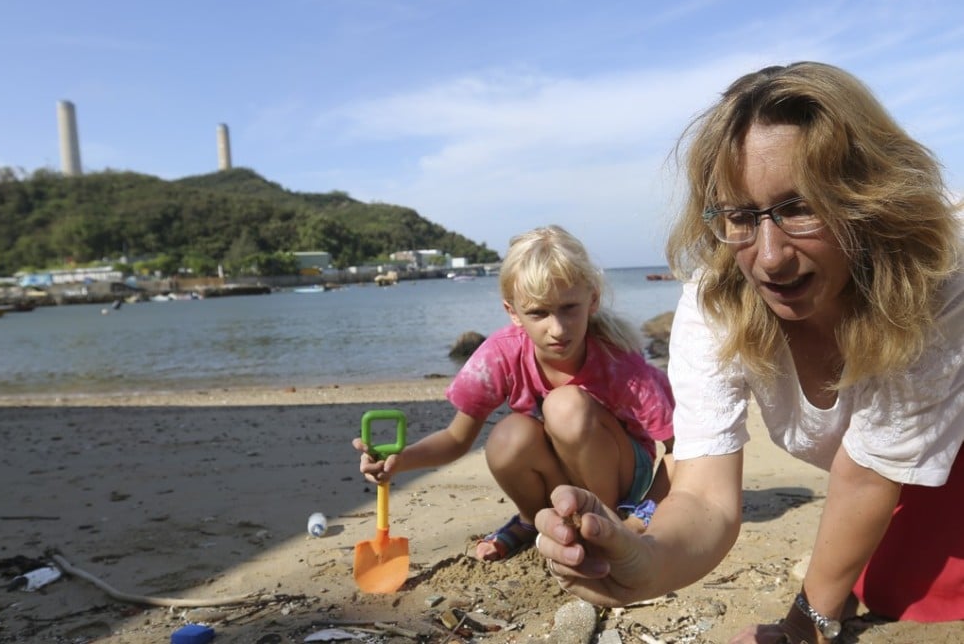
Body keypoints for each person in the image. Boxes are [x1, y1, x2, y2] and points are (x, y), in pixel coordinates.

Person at [534, 61, 963, 642]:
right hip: (890, 468)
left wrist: (804, 623)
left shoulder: (939, 269)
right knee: (883, 585)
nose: (769, 258)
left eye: (800, 207)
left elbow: (868, 474)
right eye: (740, 216)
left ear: (866, 197)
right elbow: (705, 497)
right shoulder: (716, 301)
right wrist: (644, 560)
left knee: (914, 593)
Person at [353, 225, 675, 561]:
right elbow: (456, 438)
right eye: (538, 312)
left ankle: (606, 520)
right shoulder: (501, 354)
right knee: (508, 436)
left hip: (620, 475)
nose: (557, 329)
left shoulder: (618, 361)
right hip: (562, 472)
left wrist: (643, 515)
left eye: (569, 308)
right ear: (513, 312)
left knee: (564, 405)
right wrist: (399, 461)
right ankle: (533, 518)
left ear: (592, 299)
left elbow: (677, 449)